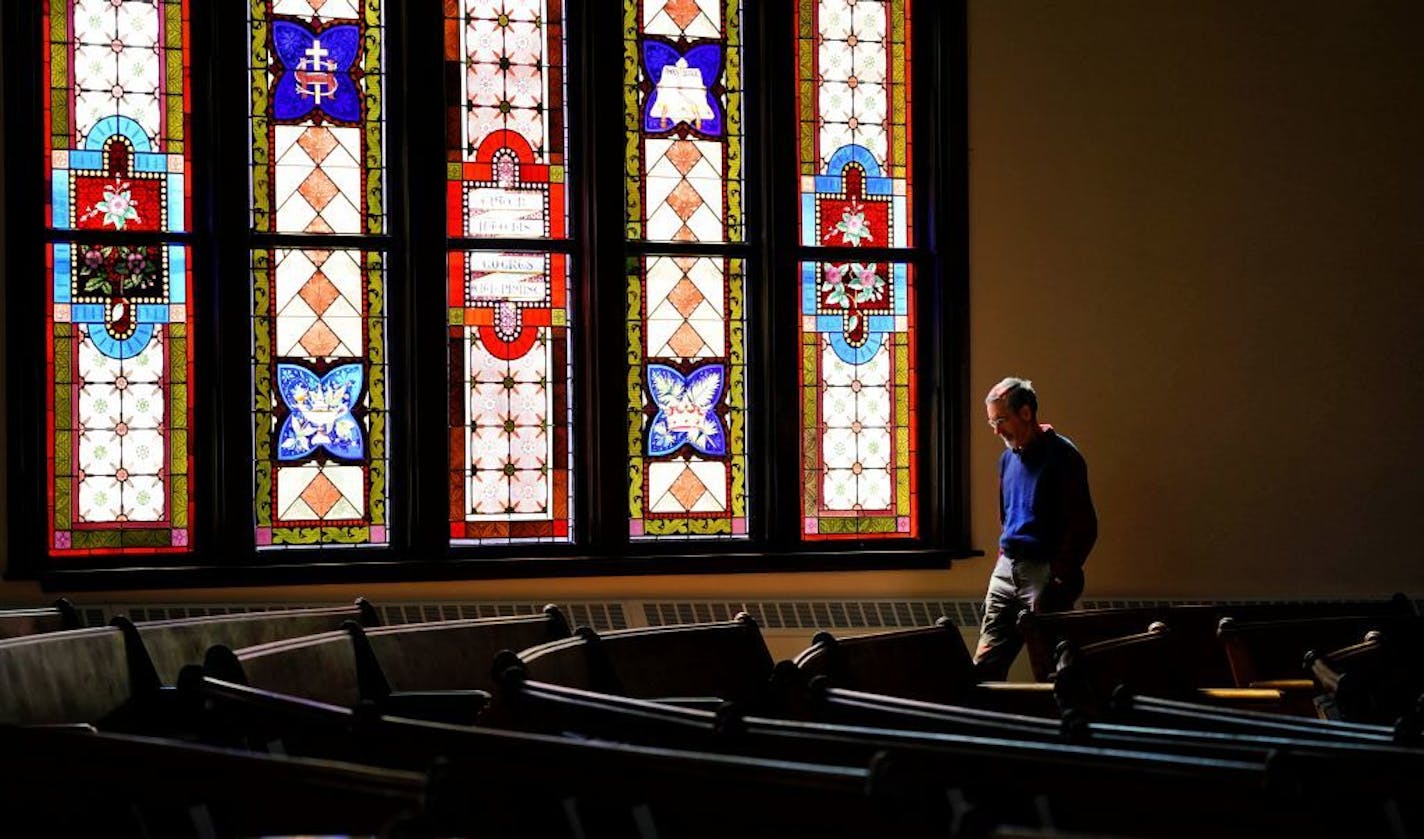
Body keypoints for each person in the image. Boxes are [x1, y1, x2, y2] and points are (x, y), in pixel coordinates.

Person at [973, 377, 1097, 681]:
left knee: (1051, 671)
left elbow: (1084, 526)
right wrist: (1004, 560)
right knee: (984, 669)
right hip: (1006, 572)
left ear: (1026, 413)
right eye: (991, 422)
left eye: (1001, 420)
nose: (996, 430)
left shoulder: (1064, 456)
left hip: (1044, 573)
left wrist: (1057, 576)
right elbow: (1008, 517)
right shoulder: (1006, 460)